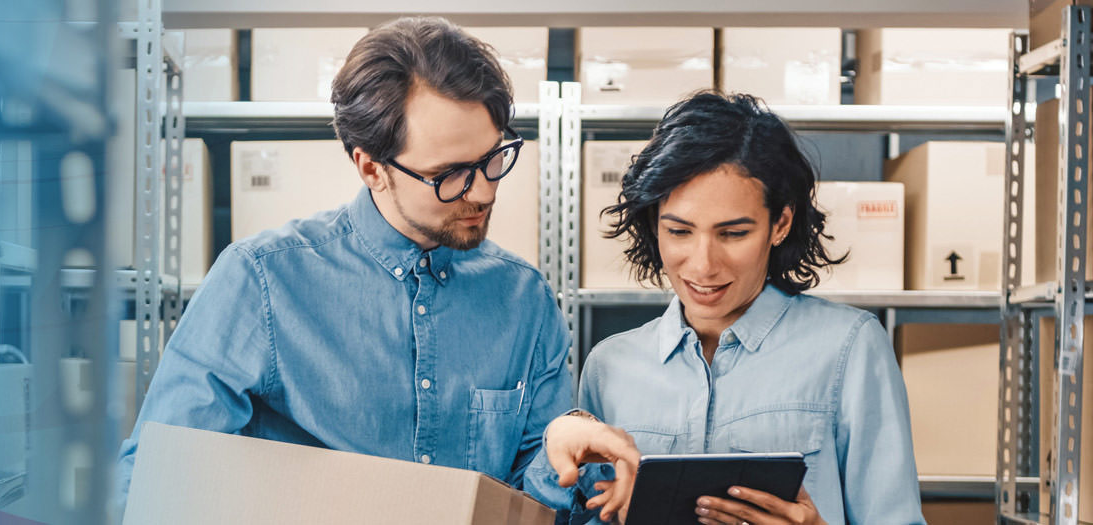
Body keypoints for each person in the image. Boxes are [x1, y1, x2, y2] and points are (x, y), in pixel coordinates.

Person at [115, 16, 639, 520]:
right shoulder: (261, 282)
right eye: (450, 174)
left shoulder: (523, 299)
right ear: (370, 166)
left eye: (493, 158)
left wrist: (559, 454)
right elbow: (152, 484)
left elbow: (534, 503)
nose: (483, 191)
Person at [578, 91, 924, 524]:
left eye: (733, 233)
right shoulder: (609, 366)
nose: (703, 265)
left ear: (779, 223)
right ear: (654, 224)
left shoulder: (848, 348)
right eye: (680, 231)